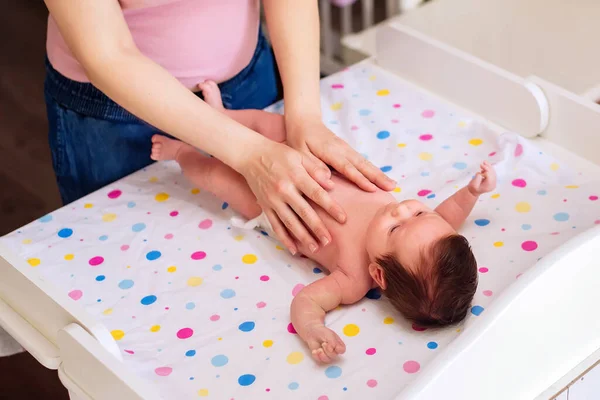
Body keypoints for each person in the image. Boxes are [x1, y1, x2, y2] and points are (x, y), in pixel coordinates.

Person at [150, 81, 498, 363]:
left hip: (272, 206)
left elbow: (307, 302)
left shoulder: (353, 279)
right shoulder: (424, 234)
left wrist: (314, 330)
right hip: (314, 160)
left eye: (395, 228)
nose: (402, 210)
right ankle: (222, 117)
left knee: (217, 176)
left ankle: (183, 153)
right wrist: (471, 192)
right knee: (272, 125)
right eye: (419, 212)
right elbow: (446, 218)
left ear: (379, 273)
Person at [43, 0, 395, 256]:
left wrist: (304, 115)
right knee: (128, 259)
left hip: (248, 80)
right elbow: (108, 55)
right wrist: (252, 154)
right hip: (118, 116)